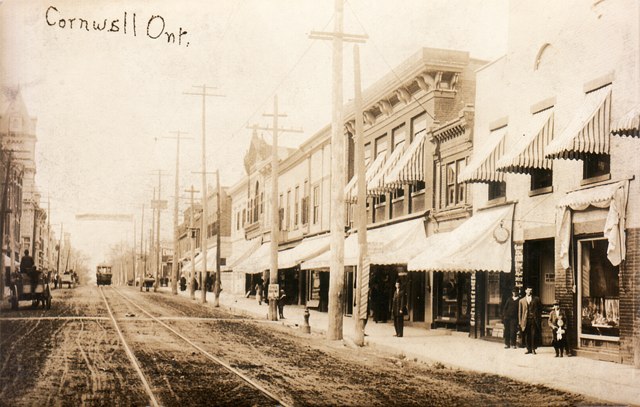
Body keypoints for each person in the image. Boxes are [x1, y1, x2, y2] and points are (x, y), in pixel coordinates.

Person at [518, 285, 542, 354]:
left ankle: (533, 349)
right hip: (525, 320)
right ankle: (528, 349)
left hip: (534, 319)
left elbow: (540, 308)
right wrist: (520, 321)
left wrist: (538, 316)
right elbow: (520, 312)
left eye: (531, 290)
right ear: (525, 291)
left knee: (533, 334)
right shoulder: (521, 301)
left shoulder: (536, 299)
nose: (529, 291)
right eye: (528, 290)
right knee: (527, 335)